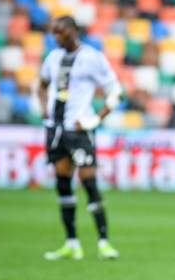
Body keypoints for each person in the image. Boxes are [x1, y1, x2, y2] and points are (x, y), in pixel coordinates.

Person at [38, 16, 122, 261]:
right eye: (54, 34)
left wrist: (96, 120)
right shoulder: (53, 58)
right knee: (63, 184)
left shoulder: (92, 58)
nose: (57, 38)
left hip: (79, 130)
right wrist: (44, 107)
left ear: (73, 31)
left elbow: (115, 91)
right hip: (57, 129)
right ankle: (72, 243)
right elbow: (42, 85)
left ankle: (104, 242)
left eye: (61, 33)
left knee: (89, 182)